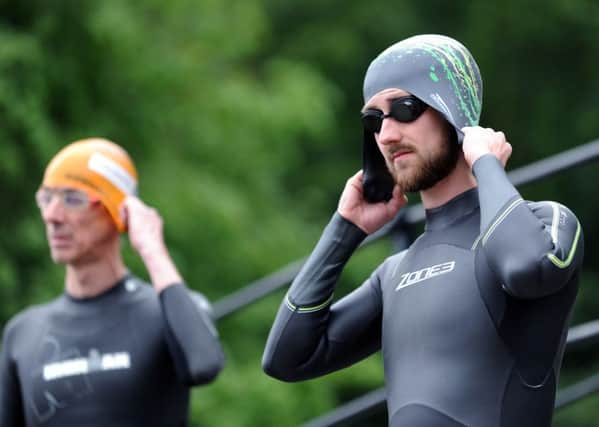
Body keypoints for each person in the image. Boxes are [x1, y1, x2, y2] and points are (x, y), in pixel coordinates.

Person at [262, 34, 584, 427]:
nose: (386, 135)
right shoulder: (394, 273)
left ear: (455, 112)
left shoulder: (544, 222)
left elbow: (527, 268)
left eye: (405, 108)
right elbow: (287, 357)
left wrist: (484, 163)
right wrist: (344, 231)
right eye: (374, 120)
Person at [0, 138, 225, 427]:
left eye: (73, 198)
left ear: (119, 211)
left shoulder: (168, 313)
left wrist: (152, 249)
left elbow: (205, 364)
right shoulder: (23, 332)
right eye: (46, 198)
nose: (52, 216)